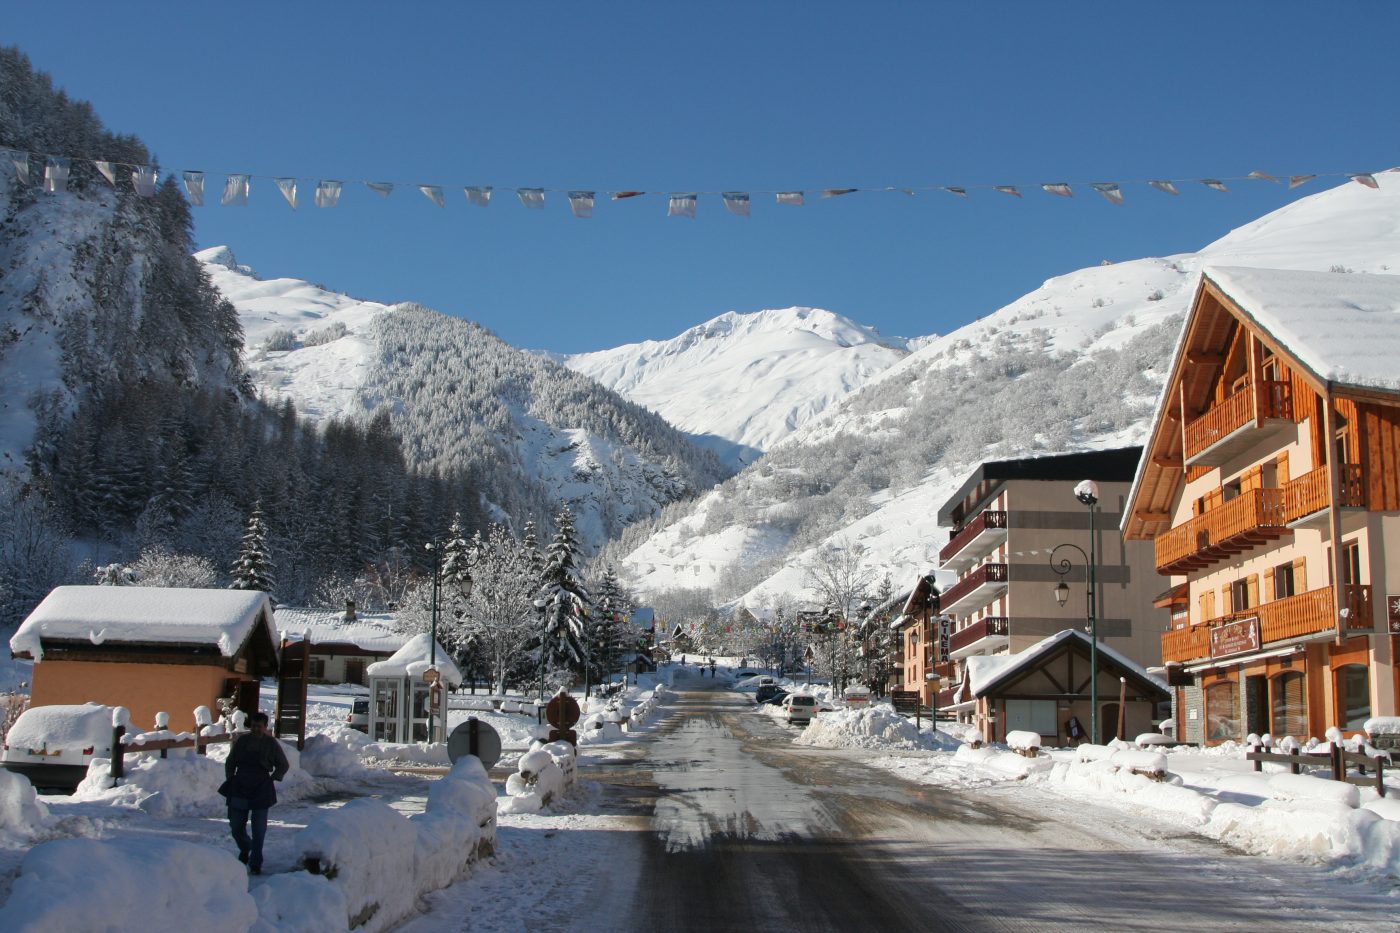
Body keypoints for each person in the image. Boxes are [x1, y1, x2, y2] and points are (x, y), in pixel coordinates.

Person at [220, 711, 289, 875]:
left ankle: (256, 861)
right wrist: (230, 777)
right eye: (253, 726)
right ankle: (245, 847)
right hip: (240, 785)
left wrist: (273, 778)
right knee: (236, 825)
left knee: (259, 829)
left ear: (265, 727)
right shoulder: (242, 741)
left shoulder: (271, 744)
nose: (256, 729)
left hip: (261, 788)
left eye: (259, 726)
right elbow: (230, 762)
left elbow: (283, 765)